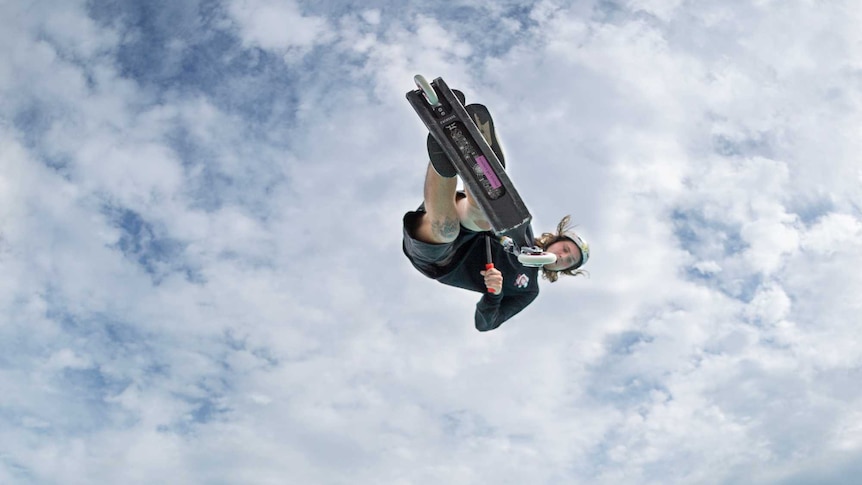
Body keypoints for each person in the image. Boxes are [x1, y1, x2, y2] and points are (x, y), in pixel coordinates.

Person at [402, 90, 590, 331]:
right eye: (565, 249)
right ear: (555, 241)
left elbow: (485, 324)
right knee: (486, 219)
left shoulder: (528, 289)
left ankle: (446, 148)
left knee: (447, 232)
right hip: (465, 218)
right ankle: (458, 148)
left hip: (440, 259)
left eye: (569, 261)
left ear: (565, 271)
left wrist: (495, 293)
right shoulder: (521, 231)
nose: (563, 256)